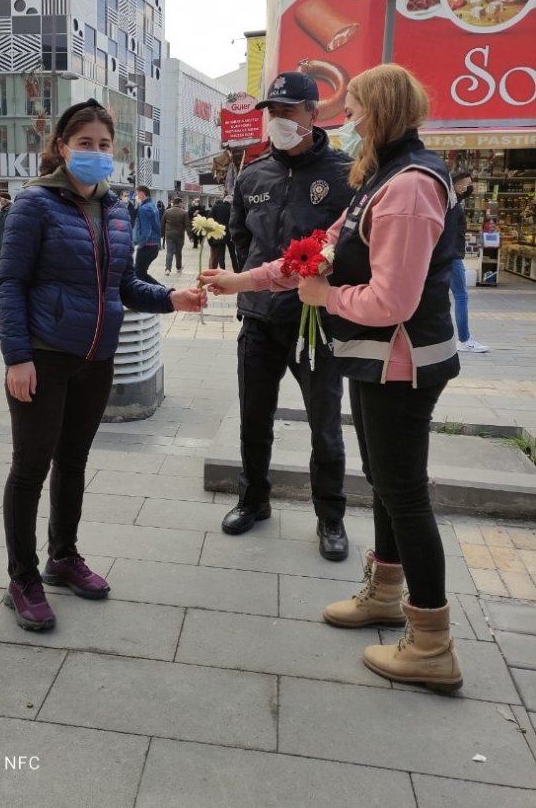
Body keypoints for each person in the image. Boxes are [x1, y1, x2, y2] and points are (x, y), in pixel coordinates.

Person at [202, 64, 463, 691]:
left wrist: (325, 298)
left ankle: (430, 643)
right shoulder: (381, 180)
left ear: (384, 112)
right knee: (385, 482)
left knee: (404, 494)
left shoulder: (407, 187)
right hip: (376, 360)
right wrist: (241, 280)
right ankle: (384, 593)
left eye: (359, 108)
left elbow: (391, 302)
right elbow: (311, 256)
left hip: (401, 359)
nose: (352, 119)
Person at [0, 99, 205, 631]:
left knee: (73, 462)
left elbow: (121, 284)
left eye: (104, 145)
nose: (95, 153)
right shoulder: (33, 205)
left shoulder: (116, 208)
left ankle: (62, 556)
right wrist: (18, 358)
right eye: (84, 143)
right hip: (44, 357)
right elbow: (11, 285)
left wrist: (169, 298)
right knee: (29, 469)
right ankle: (22, 578)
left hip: (96, 359)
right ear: (62, 147)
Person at [201, 71, 352, 560]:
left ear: (313, 113)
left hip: (315, 325)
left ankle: (330, 515)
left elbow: (350, 248)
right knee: (254, 417)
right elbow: (242, 239)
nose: (279, 120)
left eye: (289, 110)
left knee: (325, 424)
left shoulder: (345, 173)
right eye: (273, 111)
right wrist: (250, 286)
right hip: (260, 319)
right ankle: (253, 499)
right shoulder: (252, 175)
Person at [450, 171, 488, 353]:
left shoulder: (451, 200)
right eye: (467, 183)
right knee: (461, 296)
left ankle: (459, 338)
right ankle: (464, 339)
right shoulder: (453, 205)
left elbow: (466, 192)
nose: (469, 187)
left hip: (447, 256)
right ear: (458, 186)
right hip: (451, 257)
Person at [133, 184, 161, 285]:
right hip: (154, 245)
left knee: (138, 273)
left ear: (141, 193)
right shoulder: (153, 206)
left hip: (147, 246)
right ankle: (162, 292)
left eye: (136, 194)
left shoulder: (144, 208)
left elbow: (146, 230)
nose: (136, 197)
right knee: (141, 273)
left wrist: (139, 244)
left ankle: (163, 292)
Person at [161, 196, 188, 275]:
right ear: (180, 203)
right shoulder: (184, 212)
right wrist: (191, 236)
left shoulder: (167, 211)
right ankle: (178, 268)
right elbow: (187, 225)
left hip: (169, 234)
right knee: (178, 252)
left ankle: (168, 269)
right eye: (182, 202)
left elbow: (162, 223)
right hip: (179, 235)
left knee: (169, 252)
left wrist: (162, 234)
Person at [208, 193, 234, 270]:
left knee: (221, 256)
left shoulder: (216, 208)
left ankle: (222, 270)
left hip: (219, 234)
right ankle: (237, 271)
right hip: (231, 235)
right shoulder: (233, 208)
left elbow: (210, 220)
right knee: (233, 256)